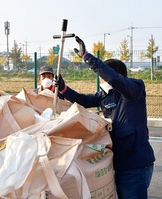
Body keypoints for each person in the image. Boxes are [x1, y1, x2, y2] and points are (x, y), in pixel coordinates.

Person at [54, 36, 155, 198]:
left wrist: (87, 57)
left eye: (102, 77)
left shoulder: (135, 88)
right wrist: (64, 89)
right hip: (120, 162)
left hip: (135, 164)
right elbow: (84, 101)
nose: (102, 80)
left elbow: (113, 78)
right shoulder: (106, 95)